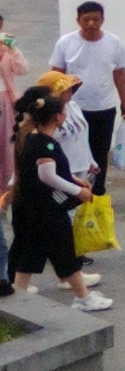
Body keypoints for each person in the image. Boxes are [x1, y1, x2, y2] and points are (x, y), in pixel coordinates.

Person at [7, 90, 96, 311]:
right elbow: (47, 175)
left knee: (31, 252)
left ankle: (18, 296)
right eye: (63, 112)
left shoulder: (36, 139)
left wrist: (74, 179)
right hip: (46, 207)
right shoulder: (43, 143)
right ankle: (83, 297)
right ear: (57, 117)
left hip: (36, 207)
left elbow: (53, 170)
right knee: (64, 249)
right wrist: (77, 190)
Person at [45, 5, 124, 188]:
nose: (91, 23)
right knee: (72, 149)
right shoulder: (65, 43)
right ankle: (72, 187)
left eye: (95, 19)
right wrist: (56, 104)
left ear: (102, 20)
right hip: (73, 108)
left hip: (103, 107)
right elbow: (56, 74)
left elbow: (120, 72)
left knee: (100, 151)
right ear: (78, 20)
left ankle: (97, 191)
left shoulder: (114, 42)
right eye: (86, 19)